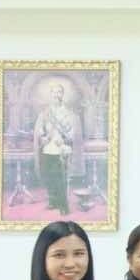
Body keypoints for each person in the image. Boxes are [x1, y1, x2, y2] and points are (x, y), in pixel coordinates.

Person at [33, 83, 81, 215]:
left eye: (59, 92)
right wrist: (44, 137)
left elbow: (73, 131)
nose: (56, 95)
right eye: (54, 92)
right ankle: (53, 201)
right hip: (48, 148)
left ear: (62, 94)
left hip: (62, 149)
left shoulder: (69, 113)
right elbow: (40, 130)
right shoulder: (45, 113)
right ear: (51, 94)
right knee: (50, 176)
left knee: (62, 178)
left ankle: (63, 205)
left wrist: (64, 140)